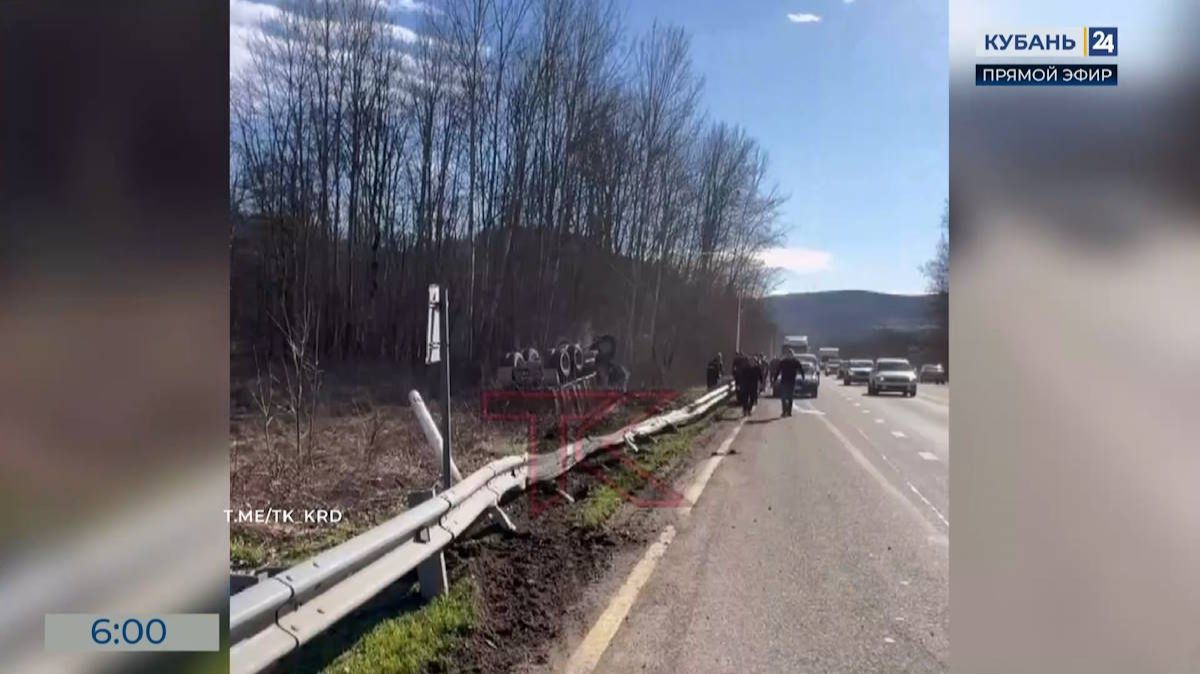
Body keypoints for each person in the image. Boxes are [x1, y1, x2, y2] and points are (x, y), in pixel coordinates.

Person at [775, 347, 802, 417]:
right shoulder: (783, 362)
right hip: (784, 381)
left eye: (791, 354)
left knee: (790, 397)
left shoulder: (796, 362)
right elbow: (778, 370)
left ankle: (789, 412)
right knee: (783, 397)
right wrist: (775, 378)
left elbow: (800, 369)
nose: (789, 355)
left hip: (792, 381)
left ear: (793, 355)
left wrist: (803, 376)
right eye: (788, 354)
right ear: (786, 355)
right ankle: (784, 412)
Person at [733, 351, 759, 417]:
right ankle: (745, 410)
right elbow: (742, 377)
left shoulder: (757, 368)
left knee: (752, 399)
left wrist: (760, 383)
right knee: (745, 399)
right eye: (751, 361)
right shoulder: (745, 368)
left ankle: (749, 409)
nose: (752, 362)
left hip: (753, 386)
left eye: (753, 361)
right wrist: (740, 384)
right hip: (746, 386)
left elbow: (760, 376)